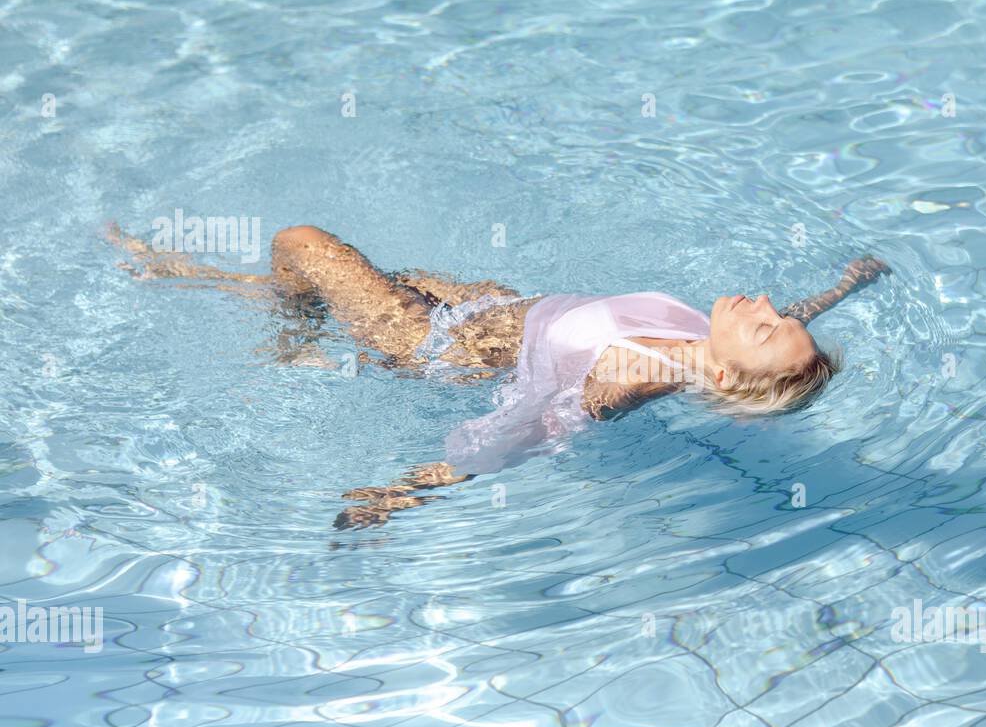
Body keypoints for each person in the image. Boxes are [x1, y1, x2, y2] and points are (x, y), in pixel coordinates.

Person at [108, 223, 890, 528]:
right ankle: (201, 282)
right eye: (780, 318)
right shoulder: (725, 348)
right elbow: (784, 322)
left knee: (301, 245)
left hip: (435, 346)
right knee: (385, 269)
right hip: (490, 307)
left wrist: (407, 489)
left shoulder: (627, 376)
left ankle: (283, 334)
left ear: (725, 367)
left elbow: (532, 432)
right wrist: (842, 287)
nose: (761, 303)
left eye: (766, 322)